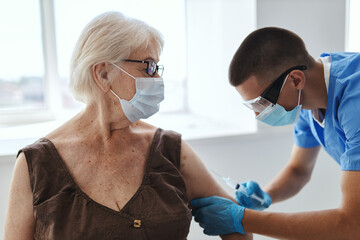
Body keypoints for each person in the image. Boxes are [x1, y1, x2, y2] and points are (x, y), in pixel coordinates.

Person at [4, 11, 251, 240]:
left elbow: (239, 227)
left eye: (158, 67)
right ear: (103, 74)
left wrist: (245, 213)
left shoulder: (170, 149)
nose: (158, 79)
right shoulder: (36, 164)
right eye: (149, 66)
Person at [191, 27, 360, 239]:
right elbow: (298, 170)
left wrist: (242, 219)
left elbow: (352, 225)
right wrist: (266, 195)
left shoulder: (355, 102)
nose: (257, 114)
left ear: (296, 80)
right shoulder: (309, 101)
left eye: (260, 103)